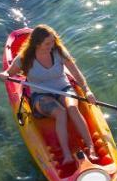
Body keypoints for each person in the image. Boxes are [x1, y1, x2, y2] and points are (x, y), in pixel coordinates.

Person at [6, 24, 98, 166]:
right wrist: (4, 75)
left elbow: (76, 73)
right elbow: (9, 73)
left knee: (73, 108)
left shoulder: (59, 52)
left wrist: (87, 90)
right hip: (41, 96)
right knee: (60, 113)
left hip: (64, 88)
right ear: (37, 44)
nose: (52, 45)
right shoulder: (25, 58)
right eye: (47, 43)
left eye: (53, 41)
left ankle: (91, 147)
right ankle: (67, 154)